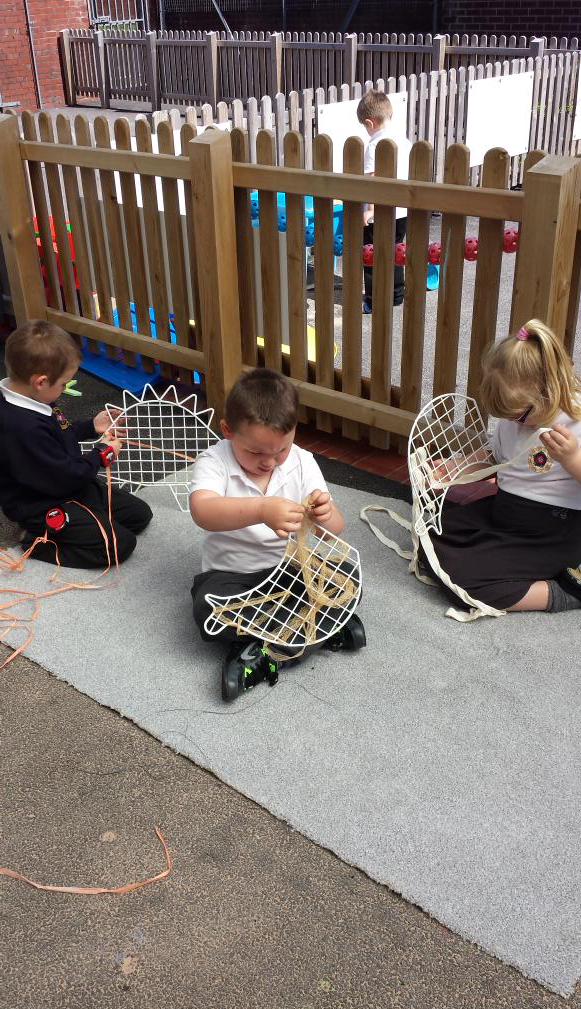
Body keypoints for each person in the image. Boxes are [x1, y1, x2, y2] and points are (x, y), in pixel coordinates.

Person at [189, 367, 366, 699]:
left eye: (280, 451)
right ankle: (313, 631)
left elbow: (335, 532)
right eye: (255, 452)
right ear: (228, 431)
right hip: (233, 575)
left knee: (346, 577)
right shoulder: (214, 461)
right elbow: (203, 511)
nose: (269, 462)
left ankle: (258, 649)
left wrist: (326, 515)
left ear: (294, 432)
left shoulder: (302, 462)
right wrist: (260, 509)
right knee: (206, 609)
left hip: (289, 571)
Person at [425, 319, 581, 614]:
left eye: (519, 415)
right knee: (434, 533)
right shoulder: (518, 416)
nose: (513, 423)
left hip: (553, 532)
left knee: (466, 582)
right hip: (508, 515)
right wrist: (455, 467)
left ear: (550, 390)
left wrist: (572, 458)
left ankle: (563, 592)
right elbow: (497, 459)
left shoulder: (576, 417)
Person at [0, 320, 152, 568]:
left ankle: (89, 520)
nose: (63, 390)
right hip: (42, 502)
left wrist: (91, 426)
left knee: (139, 515)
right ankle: (35, 542)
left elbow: (59, 433)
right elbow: (66, 476)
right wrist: (102, 454)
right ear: (41, 381)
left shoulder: (33, 398)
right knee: (119, 545)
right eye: (63, 384)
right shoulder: (21, 426)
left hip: (70, 484)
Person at [357, 89, 412, 313]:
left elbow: (373, 181)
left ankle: (373, 299)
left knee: (372, 254)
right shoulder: (404, 141)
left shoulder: (375, 145)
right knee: (396, 251)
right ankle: (397, 294)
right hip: (402, 211)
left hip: (380, 213)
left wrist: (370, 210)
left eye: (364, 126)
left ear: (370, 122)